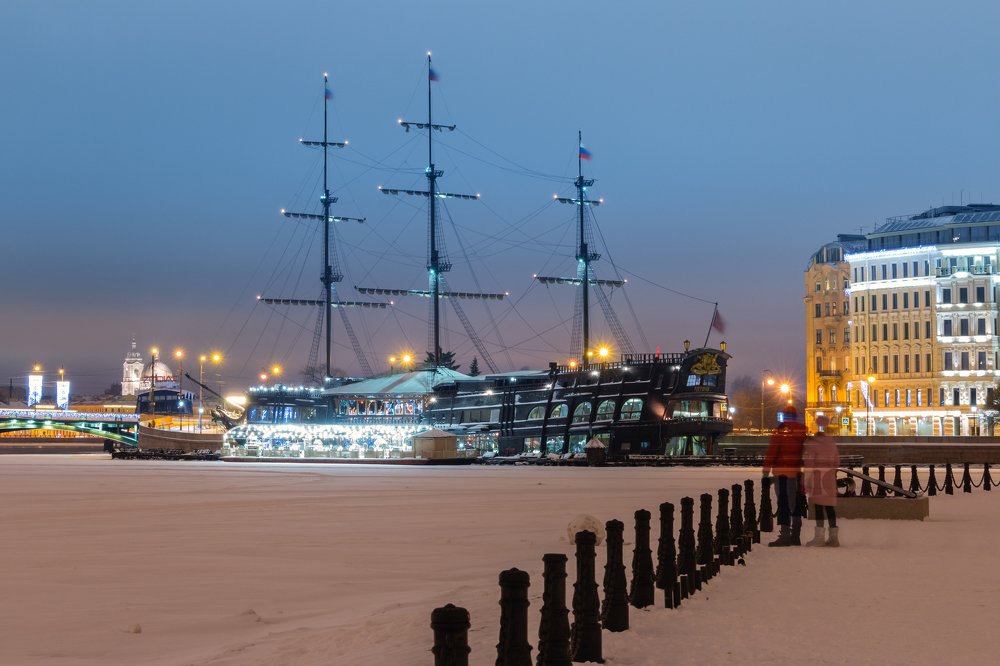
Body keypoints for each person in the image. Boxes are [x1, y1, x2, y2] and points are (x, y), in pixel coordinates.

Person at [763, 405, 807, 547]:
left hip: (781, 473)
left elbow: (772, 452)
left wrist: (765, 471)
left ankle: (785, 535)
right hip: (796, 473)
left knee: (783, 503)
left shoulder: (780, 431)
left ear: (784, 415)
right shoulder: (802, 430)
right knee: (796, 503)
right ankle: (796, 535)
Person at [803, 415, 840, 547]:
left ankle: (819, 538)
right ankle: (834, 538)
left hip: (818, 478)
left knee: (818, 507)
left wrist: (806, 481)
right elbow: (837, 463)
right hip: (829, 478)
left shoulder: (813, 444)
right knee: (830, 507)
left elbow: (809, 464)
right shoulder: (832, 443)